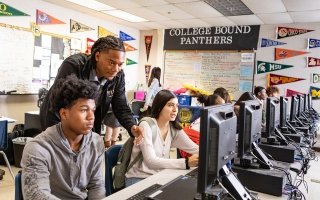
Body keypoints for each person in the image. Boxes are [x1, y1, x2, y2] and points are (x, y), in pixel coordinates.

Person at [39, 35, 143, 144]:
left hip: (87, 122)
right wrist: (58, 138)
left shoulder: (118, 76)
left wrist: (132, 126)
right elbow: (57, 104)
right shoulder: (74, 66)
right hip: (57, 119)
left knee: (86, 153)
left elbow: (120, 106)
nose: (116, 69)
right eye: (111, 63)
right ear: (97, 56)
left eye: (120, 64)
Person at [21, 75, 105, 199]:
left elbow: (96, 185)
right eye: (83, 110)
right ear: (64, 113)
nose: (91, 117)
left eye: (92, 110)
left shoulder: (96, 142)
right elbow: (36, 195)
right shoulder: (38, 148)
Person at [125, 90, 199, 186]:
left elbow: (195, 149)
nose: (175, 110)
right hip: (138, 179)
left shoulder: (173, 129)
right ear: (159, 107)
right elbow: (150, 161)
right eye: (170, 105)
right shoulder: (146, 125)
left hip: (158, 177)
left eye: (176, 105)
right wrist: (186, 162)